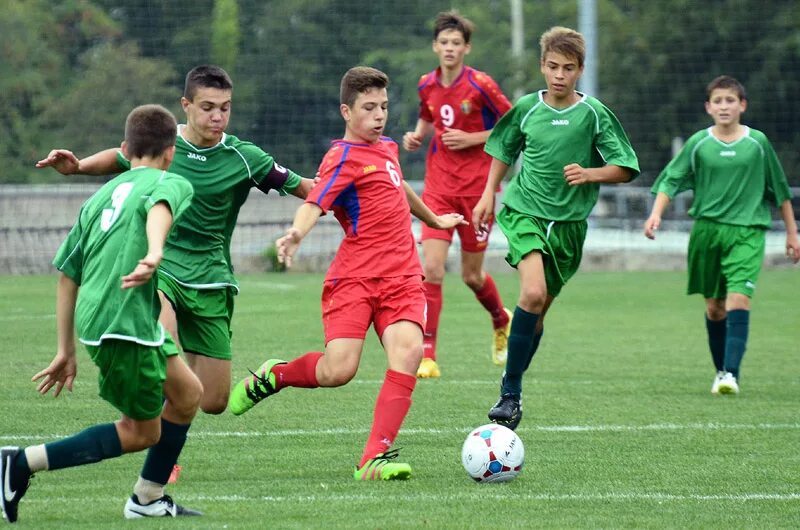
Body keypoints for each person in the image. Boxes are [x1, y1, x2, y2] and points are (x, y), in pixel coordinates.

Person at [35, 65, 315, 482]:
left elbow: (306, 188)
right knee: (160, 347)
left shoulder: (245, 157)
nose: (217, 116)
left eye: (225, 108)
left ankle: (196, 410)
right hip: (160, 269)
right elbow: (118, 156)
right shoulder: (166, 146)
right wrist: (76, 167)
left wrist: (349, 191)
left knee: (214, 400)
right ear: (186, 106)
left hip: (213, 278)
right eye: (207, 107)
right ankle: (160, 460)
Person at [227, 66, 466, 480]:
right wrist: (295, 234)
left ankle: (374, 457)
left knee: (409, 353)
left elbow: (399, 187)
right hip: (354, 279)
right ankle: (276, 375)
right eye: (369, 108)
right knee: (339, 370)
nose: (379, 116)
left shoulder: (388, 148)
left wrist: (434, 219)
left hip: (402, 277)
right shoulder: (342, 157)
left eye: (385, 107)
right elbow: (315, 201)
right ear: (346, 111)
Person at [1, 105, 203, 523]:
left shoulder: (98, 198)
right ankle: (18, 464)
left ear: (125, 150)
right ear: (171, 153)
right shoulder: (172, 181)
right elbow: (159, 209)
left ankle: (147, 498)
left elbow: (66, 275)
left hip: (113, 317)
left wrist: (64, 349)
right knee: (141, 431)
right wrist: (155, 252)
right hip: (123, 323)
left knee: (187, 395)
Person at [472, 27, 640, 430]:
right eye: (552, 67)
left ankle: (512, 385)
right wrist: (487, 195)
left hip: (568, 228)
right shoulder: (528, 107)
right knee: (531, 293)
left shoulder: (594, 114)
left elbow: (626, 168)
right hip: (524, 211)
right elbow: (503, 149)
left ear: (580, 70)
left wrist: (591, 172)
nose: (559, 75)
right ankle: (509, 394)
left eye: (567, 68)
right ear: (541, 66)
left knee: (539, 312)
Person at [644, 75, 799, 395]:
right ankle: (721, 371)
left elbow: (780, 191)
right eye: (718, 101)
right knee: (714, 307)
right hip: (707, 232)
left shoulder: (758, 143)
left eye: (730, 100)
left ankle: (730, 374)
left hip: (747, 231)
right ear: (708, 107)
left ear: (742, 105)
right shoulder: (699, 143)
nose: (724, 106)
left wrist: (792, 234)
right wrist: (656, 214)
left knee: (738, 299)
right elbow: (671, 180)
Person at [403, 10, 513, 378]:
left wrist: (472, 139)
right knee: (430, 269)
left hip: (477, 191)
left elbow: (512, 125)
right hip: (438, 187)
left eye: (456, 43)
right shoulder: (425, 84)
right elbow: (428, 114)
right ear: (435, 46)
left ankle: (501, 318)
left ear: (466, 48)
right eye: (444, 42)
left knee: (471, 276)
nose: (449, 48)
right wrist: (418, 134)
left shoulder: (481, 84)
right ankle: (428, 354)